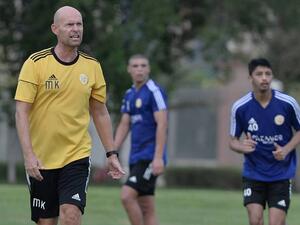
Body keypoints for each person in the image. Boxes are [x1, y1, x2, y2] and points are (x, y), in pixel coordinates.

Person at [14, 6, 125, 225]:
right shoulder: (35, 63)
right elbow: (21, 112)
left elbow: (100, 112)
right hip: (41, 159)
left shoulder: (92, 67)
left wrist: (111, 154)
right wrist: (28, 155)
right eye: (70, 24)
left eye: (79, 24)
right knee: (46, 222)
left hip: (77, 156)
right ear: (55, 29)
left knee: (71, 215)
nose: (76, 29)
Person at [229, 58, 300, 225]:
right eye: (259, 74)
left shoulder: (287, 103)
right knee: (255, 220)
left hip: (281, 174)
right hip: (253, 173)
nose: (264, 78)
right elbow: (232, 141)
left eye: (268, 74)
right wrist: (241, 147)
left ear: (272, 76)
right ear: (250, 78)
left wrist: (286, 149)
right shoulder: (240, 107)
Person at [114, 54, 168, 225]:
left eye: (143, 65)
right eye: (135, 66)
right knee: (146, 207)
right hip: (135, 157)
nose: (139, 69)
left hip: (150, 157)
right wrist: (112, 153)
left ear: (149, 69)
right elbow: (124, 124)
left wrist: (158, 157)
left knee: (127, 196)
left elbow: (162, 124)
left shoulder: (154, 92)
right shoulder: (129, 94)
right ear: (129, 69)